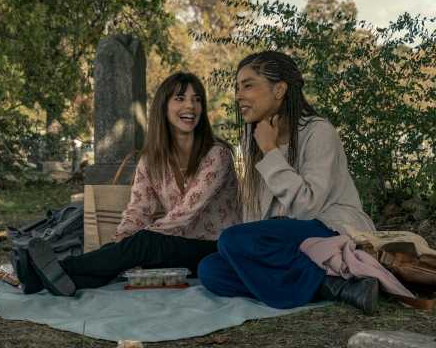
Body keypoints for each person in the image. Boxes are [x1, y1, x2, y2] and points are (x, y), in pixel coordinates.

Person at [19, 72, 242, 296]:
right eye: (180, 98)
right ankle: (50, 281)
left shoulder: (217, 154)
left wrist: (133, 243)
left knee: (143, 244)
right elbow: (139, 209)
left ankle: (53, 270)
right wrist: (122, 240)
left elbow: (185, 213)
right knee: (122, 253)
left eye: (197, 99)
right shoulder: (151, 159)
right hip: (175, 247)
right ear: (163, 106)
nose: (190, 106)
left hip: (216, 250)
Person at [197, 51, 379, 314]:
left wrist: (271, 151)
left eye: (248, 85)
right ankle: (329, 285)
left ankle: (314, 283)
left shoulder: (318, 131)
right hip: (283, 238)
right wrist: (248, 245)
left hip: (330, 226)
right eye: (237, 88)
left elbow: (308, 206)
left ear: (279, 89)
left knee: (231, 240)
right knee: (211, 269)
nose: (238, 96)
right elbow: (255, 215)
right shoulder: (253, 141)